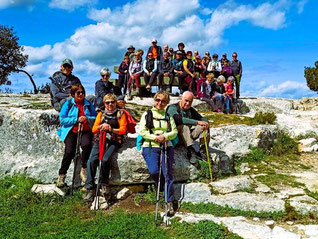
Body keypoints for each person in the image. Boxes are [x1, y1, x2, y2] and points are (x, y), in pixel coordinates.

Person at [139, 91, 178, 216]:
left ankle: (169, 201)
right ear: (154, 100)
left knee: (167, 173)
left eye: (163, 101)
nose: (160, 103)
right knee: (154, 171)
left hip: (167, 146)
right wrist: (155, 138)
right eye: (158, 100)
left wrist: (165, 136)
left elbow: (174, 132)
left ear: (167, 103)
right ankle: (162, 189)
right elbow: (142, 131)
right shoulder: (147, 114)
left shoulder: (168, 116)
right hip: (150, 146)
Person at [84, 94, 127, 201]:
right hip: (100, 139)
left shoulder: (120, 114)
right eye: (107, 102)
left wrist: (110, 129)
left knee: (105, 159)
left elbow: (123, 130)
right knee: (92, 160)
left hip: (114, 140)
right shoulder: (101, 114)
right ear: (104, 103)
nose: (110, 104)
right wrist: (101, 127)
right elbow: (94, 129)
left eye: (112, 102)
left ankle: (104, 184)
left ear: (116, 102)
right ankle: (89, 187)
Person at [56, 84, 96, 187]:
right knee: (69, 151)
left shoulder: (88, 104)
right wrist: (76, 120)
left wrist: (87, 118)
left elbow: (95, 116)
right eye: (78, 93)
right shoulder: (68, 104)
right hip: (71, 130)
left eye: (82, 92)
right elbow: (62, 119)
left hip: (85, 130)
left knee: (86, 145)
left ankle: (84, 169)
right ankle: (62, 175)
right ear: (73, 94)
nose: (81, 94)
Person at [167, 91, 210, 163]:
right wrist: (197, 122)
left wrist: (206, 123)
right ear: (181, 98)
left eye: (190, 102)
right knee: (184, 126)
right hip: (176, 138)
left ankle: (203, 150)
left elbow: (201, 118)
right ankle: (190, 150)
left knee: (204, 126)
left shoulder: (190, 110)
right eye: (186, 101)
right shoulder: (172, 108)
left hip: (187, 137)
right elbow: (178, 119)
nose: (188, 103)